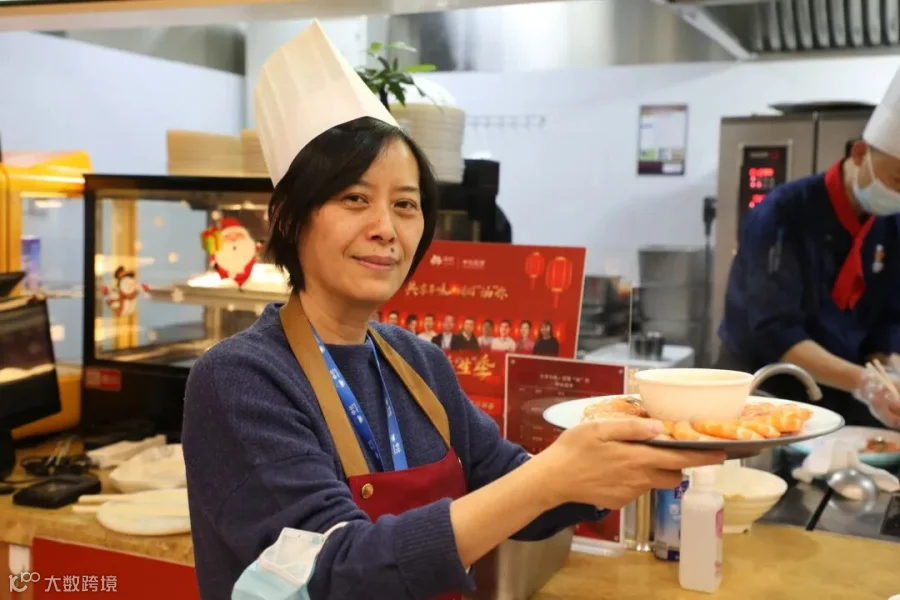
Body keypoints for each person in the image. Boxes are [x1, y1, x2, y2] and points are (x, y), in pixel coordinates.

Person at [182, 21, 724, 600]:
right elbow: (337, 571)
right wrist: (550, 478)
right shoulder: (240, 379)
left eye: (406, 204)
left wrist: (633, 451)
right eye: (355, 198)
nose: (386, 228)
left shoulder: (418, 363)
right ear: (289, 217)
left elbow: (511, 485)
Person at [716, 67, 900, 430]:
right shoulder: (783, 213)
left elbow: (889, 316)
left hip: (842, 396)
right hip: (764, 392)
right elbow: (773, 330)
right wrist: (864, 383)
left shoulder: (891, 224)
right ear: (860, 154)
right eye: (897, 180)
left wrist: (889, 372)